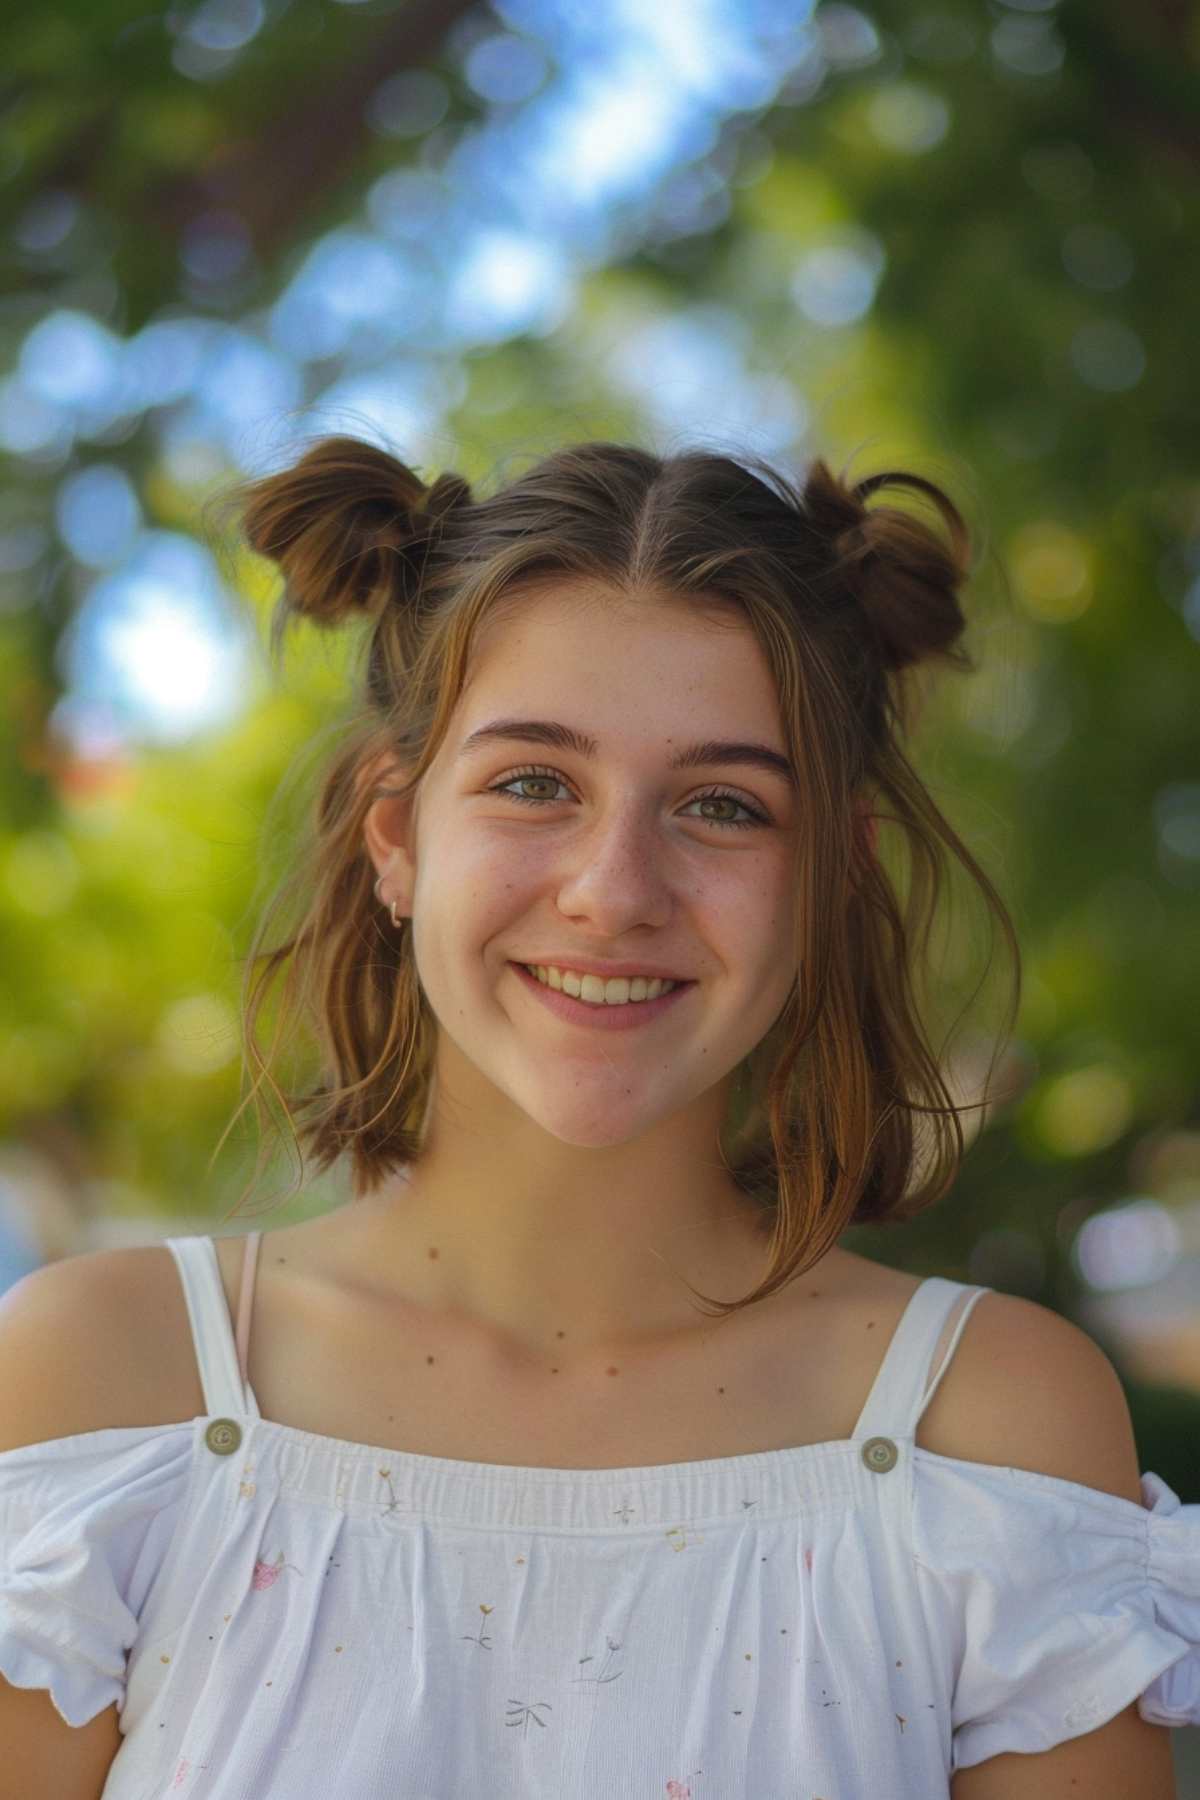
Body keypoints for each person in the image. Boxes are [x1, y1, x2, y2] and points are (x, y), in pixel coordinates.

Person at [1, 435, 1195, 1800]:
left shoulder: (987, 1434)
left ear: (833, 880)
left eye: (723, 805)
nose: (615, 889)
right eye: (534, 783)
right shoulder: (111, 1391)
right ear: (394, 839)